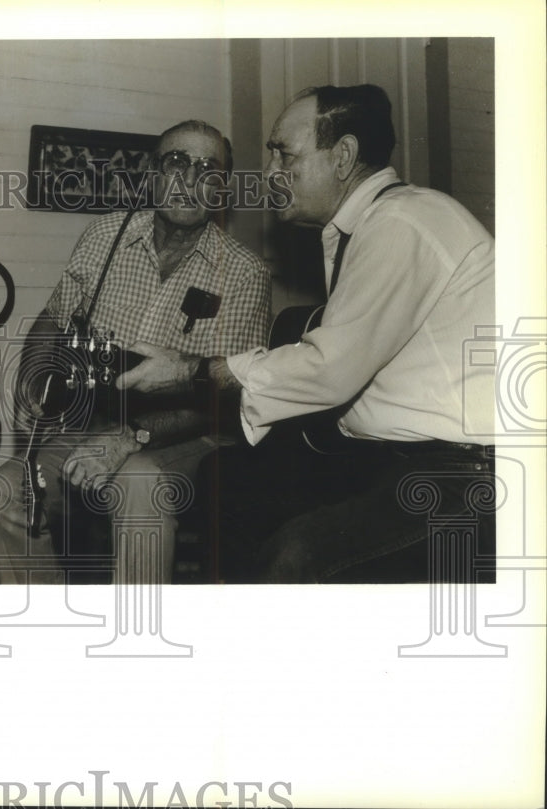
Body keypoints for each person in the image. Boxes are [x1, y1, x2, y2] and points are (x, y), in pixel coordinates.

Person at [116, 85, 496, 583]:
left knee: (296, 557)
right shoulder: (366, 226)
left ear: (343, 157)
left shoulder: (403, 220)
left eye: (284, 154)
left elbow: (329, 368)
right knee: (223, 483)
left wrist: (191, 370)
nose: (271, 172)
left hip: (456, 475)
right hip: (379, 459)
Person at [0, 120, 271, 585]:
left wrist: (129, 438)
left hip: (190, 439)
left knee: (138, 483)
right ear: (152, 173)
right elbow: (51, 321)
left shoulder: (243, 273)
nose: (189, 181)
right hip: (90, 425)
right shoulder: (103, 238)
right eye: (176, 163)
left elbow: (227, 394)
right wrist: (35, 382)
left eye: (207, 170)